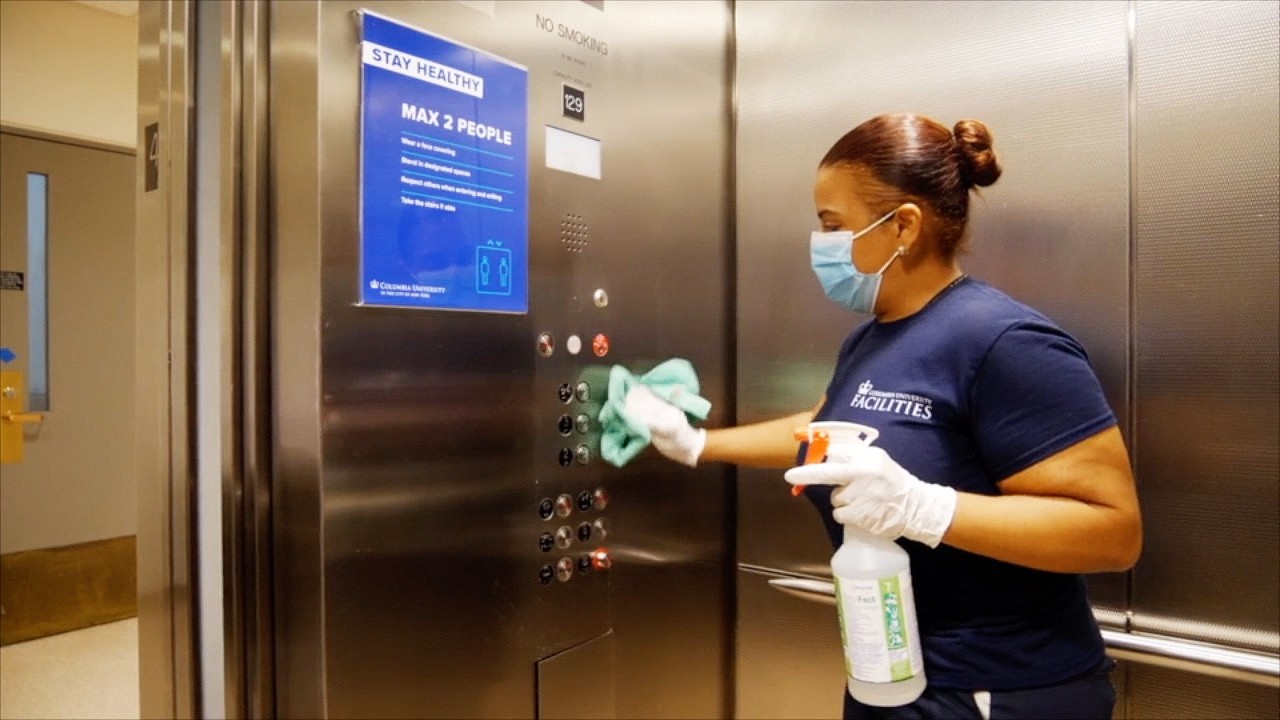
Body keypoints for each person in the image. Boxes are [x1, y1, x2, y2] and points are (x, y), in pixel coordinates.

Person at [625, 113, 1143, 719]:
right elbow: (826, 429)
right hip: (891, 678)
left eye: (832, 224)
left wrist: (923, 508)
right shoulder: (873, 338)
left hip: (999, 693)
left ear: (902, 226)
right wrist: (695, 443)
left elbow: (1113, 533)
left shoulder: (1006, 342)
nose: (820, 243)